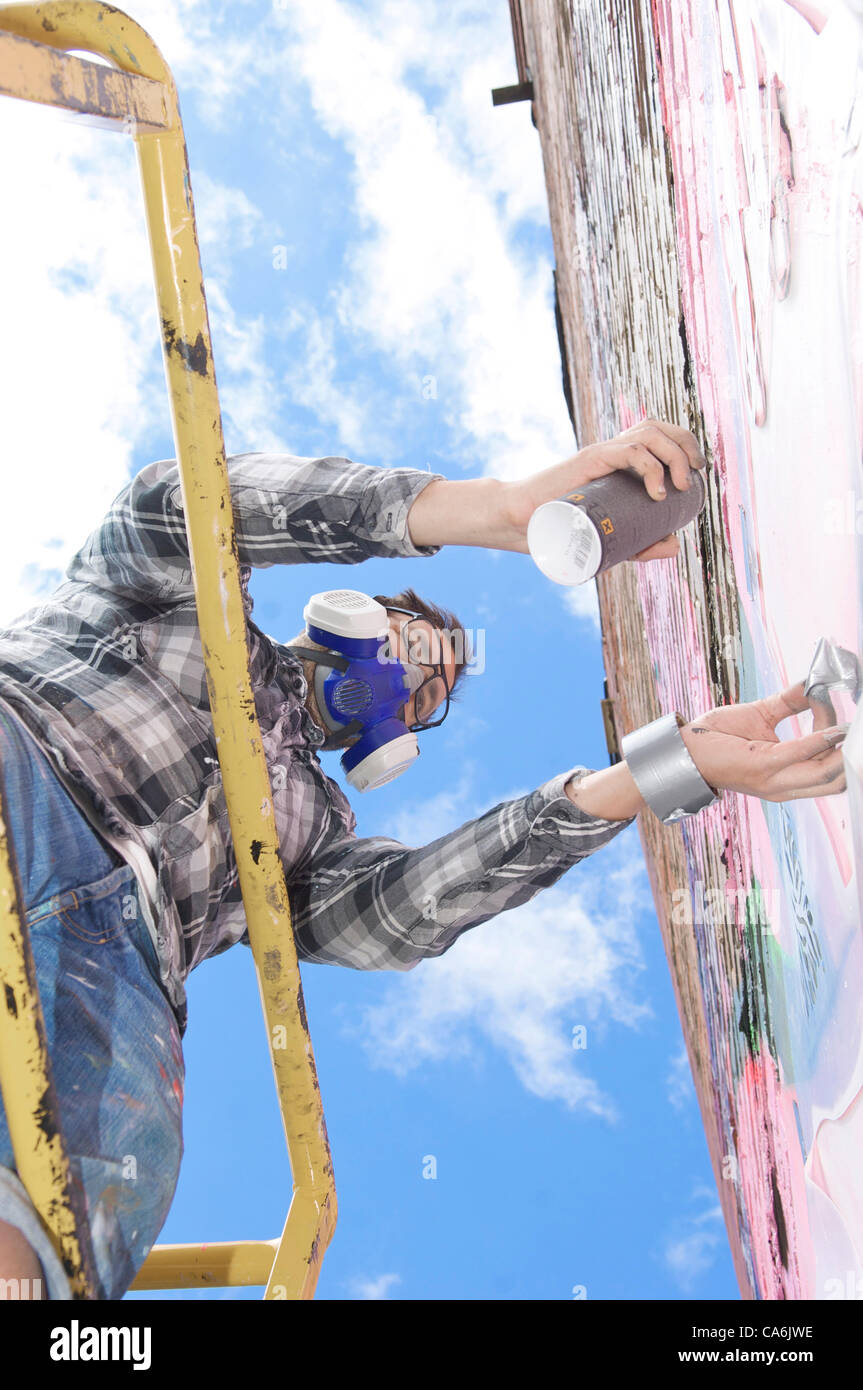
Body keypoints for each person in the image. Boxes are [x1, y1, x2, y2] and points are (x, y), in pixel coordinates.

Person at [0, 418, 847, 1300]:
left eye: (430, 696)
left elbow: (402, 915)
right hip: (24, 759)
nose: (409, 687)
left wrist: (665, 767)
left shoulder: (309, 834)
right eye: (412, 651)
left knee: (90, 1193)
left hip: (117, 979)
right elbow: (169, 506)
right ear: (356, 616)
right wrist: (501, 512)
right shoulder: (184, 600)